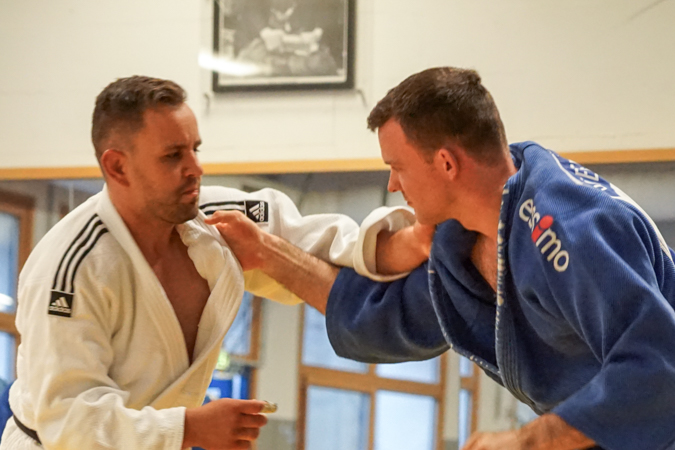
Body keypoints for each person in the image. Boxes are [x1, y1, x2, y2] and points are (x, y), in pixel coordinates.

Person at [206, 67, 675, 450]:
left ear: (447, 164)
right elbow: (382, 315)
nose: (393, 184)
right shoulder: (459, 238)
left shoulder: (568, 225)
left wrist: (529, 440)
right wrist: (268, 254)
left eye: (398, 167)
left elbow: (658, 366)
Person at [0, 76, 427, 450]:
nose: (195, 168)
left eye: (195, 149)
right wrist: (190, 427)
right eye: (173, 156)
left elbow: (319, 244)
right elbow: (69, 420)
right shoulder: (72, 268)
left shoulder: (212, 219)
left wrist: (414, 241)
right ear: (117, 166)